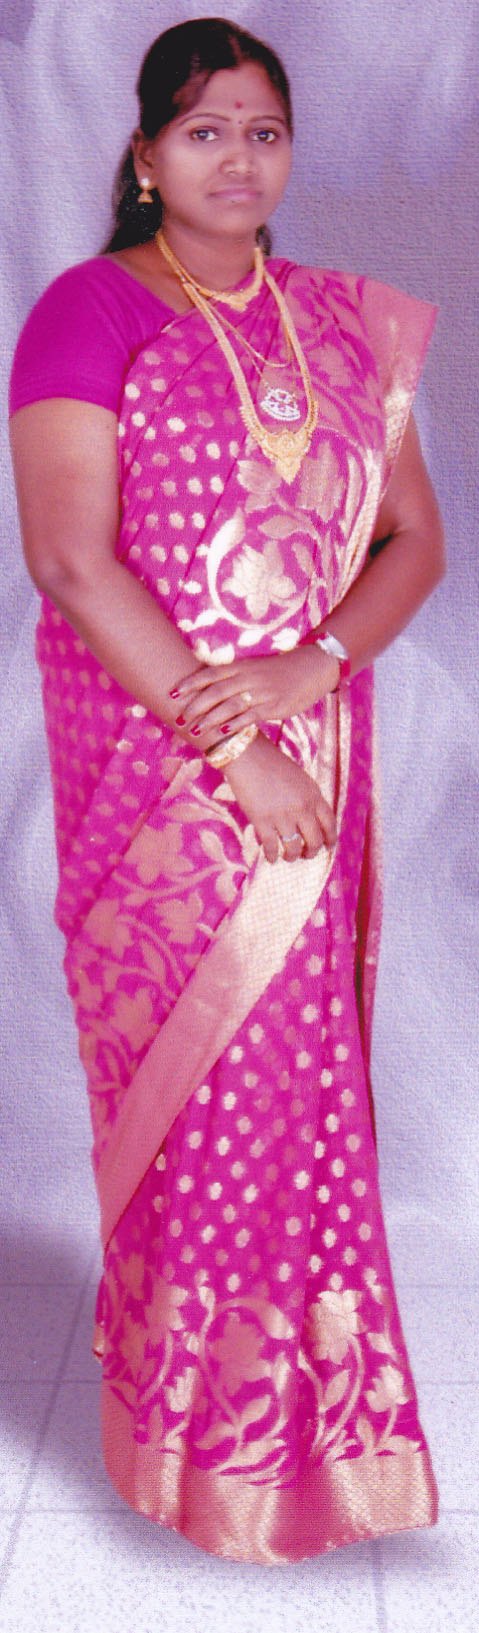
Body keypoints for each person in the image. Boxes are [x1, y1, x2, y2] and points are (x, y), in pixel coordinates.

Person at [9, 16, 445, 1566]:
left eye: (263, 130)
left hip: (308, 778)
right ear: (145, 154)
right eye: (205, 131)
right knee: (205, 1114)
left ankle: (301, 1444)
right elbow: (71, 558)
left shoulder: (342, 327)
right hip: (171, 798)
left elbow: (414, 541)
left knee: (298, 1112)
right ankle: (195, 1451)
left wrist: (309, 671)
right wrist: (233, 743)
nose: (239, 158)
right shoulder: (87, 311)